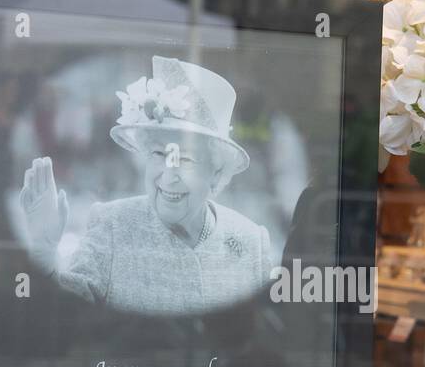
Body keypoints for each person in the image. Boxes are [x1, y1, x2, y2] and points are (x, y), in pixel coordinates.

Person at [19, 56, 273, 315]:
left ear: (216, 171)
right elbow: (65, 322)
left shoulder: (252, 241)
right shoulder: (112, 226)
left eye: (184, 159)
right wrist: (44, 256)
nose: (168, 175)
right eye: (157, 154)